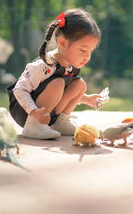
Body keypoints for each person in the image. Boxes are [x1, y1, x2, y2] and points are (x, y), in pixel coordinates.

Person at [7, 8, 103, 139]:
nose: (87, 57)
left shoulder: (71, 65)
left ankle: (60, 122)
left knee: (79, 85)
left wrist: (87, 99)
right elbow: (19, 89)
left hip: (48, 114)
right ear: (63, 43)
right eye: (82, 50)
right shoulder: (44, 65)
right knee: (58, 83)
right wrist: (34, 112)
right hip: (27, 112)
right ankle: (33, 126)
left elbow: (64, 93)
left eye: (91, 51)